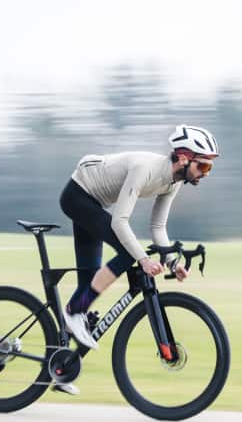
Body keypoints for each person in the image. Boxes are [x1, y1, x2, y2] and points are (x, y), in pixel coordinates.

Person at [57, 124, 219, 367]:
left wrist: (172, 264)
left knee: (89, 280)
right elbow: (119, 222)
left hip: (94, 203)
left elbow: (158, 228)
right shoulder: (145, 169)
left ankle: (58, 367)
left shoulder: (172, 182)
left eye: (210, 167)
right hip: (77, 196)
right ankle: (73, 312)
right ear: (184, 159)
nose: (205, 173)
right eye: (203, 166)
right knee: (126, 253)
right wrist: (143, 260)